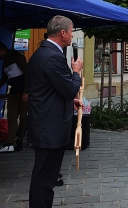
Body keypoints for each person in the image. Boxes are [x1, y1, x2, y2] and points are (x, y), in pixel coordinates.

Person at [28, 16, 83, 208]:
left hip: (46, 123)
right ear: (63, 33)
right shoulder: (52, 56)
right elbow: (68, 88)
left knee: (45, 176)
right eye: (71, 30)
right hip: (49, 127)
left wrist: (70, 102)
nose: (72, 34)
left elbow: (50, 90)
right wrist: (76, 72)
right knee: (45, 178)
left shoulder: (44, 52)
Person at [0, 42, 28, 153]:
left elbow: (27, 74)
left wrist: (27, 91)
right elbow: (4, 78)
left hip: (23, 90)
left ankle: (20, 140)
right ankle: (10, 142)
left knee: (23, 117)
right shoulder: (5, 62)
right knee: (11, 117)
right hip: (13, 91)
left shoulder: (17, 57)